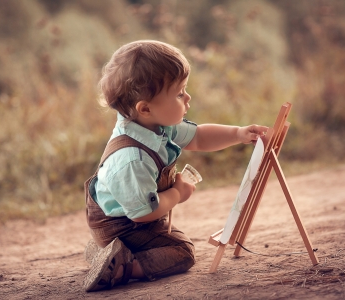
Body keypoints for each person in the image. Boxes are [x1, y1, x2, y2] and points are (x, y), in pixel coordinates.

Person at [83, 40, 268, 292]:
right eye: (180, 93)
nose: (188, 97)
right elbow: (143, 214)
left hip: (135, 214)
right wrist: (177, 193)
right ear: (145, 108)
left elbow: (199, 137)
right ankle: (120, 265)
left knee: (173, 239)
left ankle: (108, 252)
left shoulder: (156, 125)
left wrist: (238, 134)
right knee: (182, 251)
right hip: (124, 223)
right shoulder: (132, 158)